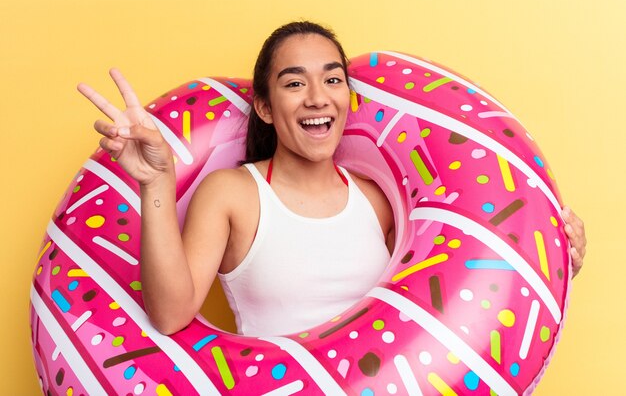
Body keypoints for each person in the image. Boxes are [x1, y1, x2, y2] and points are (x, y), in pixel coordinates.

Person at [78, 21, 587, 337]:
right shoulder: (233, 194)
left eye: (333, 78)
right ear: (265, 107)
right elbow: (169, 316)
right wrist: (156, 184)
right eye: (294, 82)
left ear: (347, 97)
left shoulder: (378, 201)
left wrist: (549, 260)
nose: (318, 96)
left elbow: (454, 299)